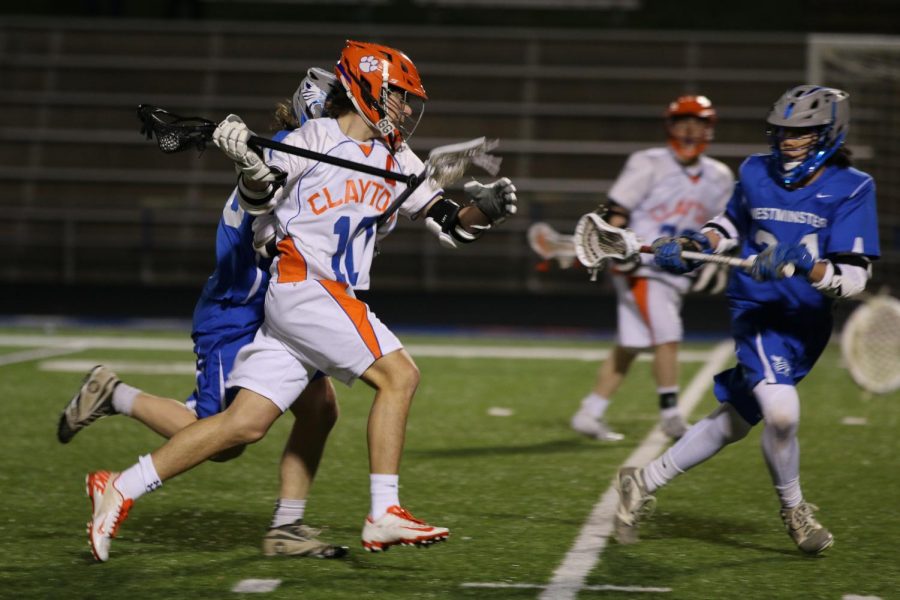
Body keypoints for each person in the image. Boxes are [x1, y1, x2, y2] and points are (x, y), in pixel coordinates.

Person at [82, 40, 518, 562]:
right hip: (308, 288)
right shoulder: (311, 138)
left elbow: (448, 222)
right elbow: (258, 201)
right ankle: (383, 512)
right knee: (401, 376)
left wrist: (482, 211)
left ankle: (120, 486)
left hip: (312, 303)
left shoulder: (398, 155)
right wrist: (248, 163)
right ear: (367, 88)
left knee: (241, 425)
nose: (406, 109)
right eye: (399, 96)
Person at [60, 68, 350, 559]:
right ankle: (116, 395)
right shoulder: (285, 151)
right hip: (238, 309)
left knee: (320, 409)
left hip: (279, 309)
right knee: (226, 438)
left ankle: (287, 527)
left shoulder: (308, 152)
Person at [614, 85, 879, 555]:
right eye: (783, 132)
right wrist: (696, 246)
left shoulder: (854, 186)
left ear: (830, 132)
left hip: (807, 322)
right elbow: (730, 225)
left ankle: (642, 479)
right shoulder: (756, 170)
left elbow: (855, 279)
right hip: (758, 310)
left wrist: (803, 261)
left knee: (735, 420)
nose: (789, 142)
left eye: (803, 133)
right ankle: (795, 511)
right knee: (781, 413)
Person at [569, 95, 734, 442]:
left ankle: (591, 411)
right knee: (667, 334)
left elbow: (724, 224)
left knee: (631, 344)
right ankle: (672, 416)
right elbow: (618, 209)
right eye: (683, 122)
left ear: (709, 129)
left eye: (698, 123)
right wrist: (617, 244)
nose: (690, 130)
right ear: (670, 126)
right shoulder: (648, 162)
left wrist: (717, 259)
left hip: (676, 271)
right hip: (641, 265)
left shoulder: (719, 176)